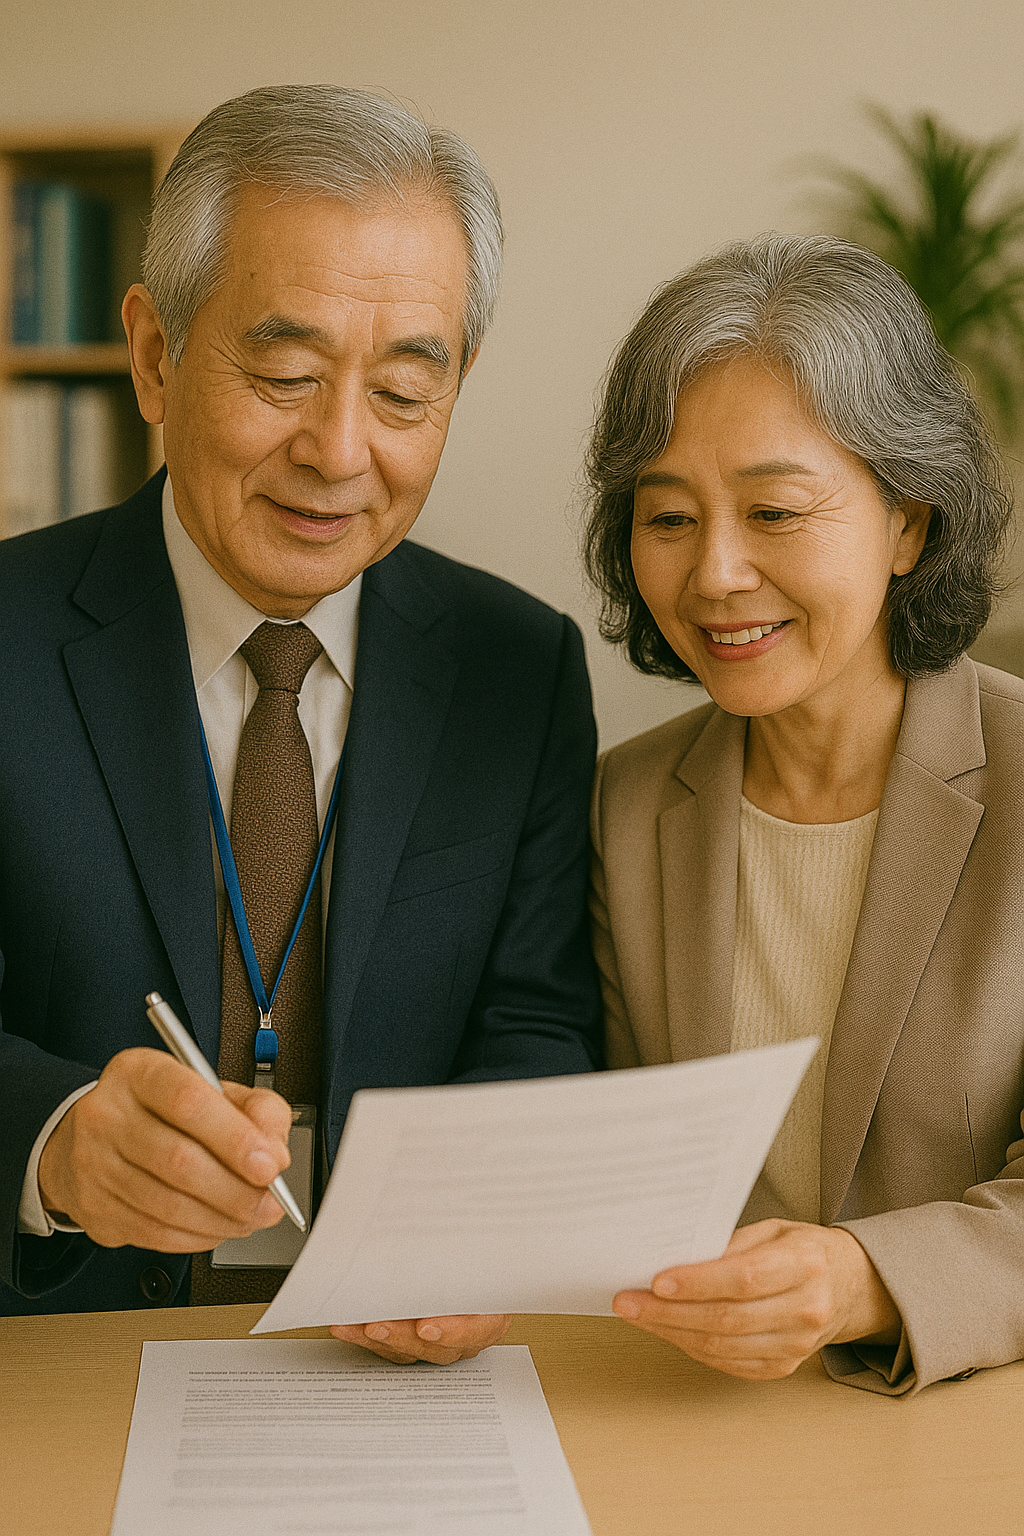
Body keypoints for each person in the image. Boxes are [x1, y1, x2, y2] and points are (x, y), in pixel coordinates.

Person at [0, 85, 602, 1355]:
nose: (338, 450)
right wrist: (55, 1144)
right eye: (283, 373)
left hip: (393, 1361)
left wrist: (469, 1231)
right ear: (155, 355)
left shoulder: (518, 665)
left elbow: (536, 1019)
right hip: (58, 1343)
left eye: (400, 392)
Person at [584, 233, 1024, 1396]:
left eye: (774, 512)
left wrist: (865, 1279)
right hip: (688, 1411)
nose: (715, 573)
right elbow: (614, 1165)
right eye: (668, 519)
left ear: (909, 525)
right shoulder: (627, 807)